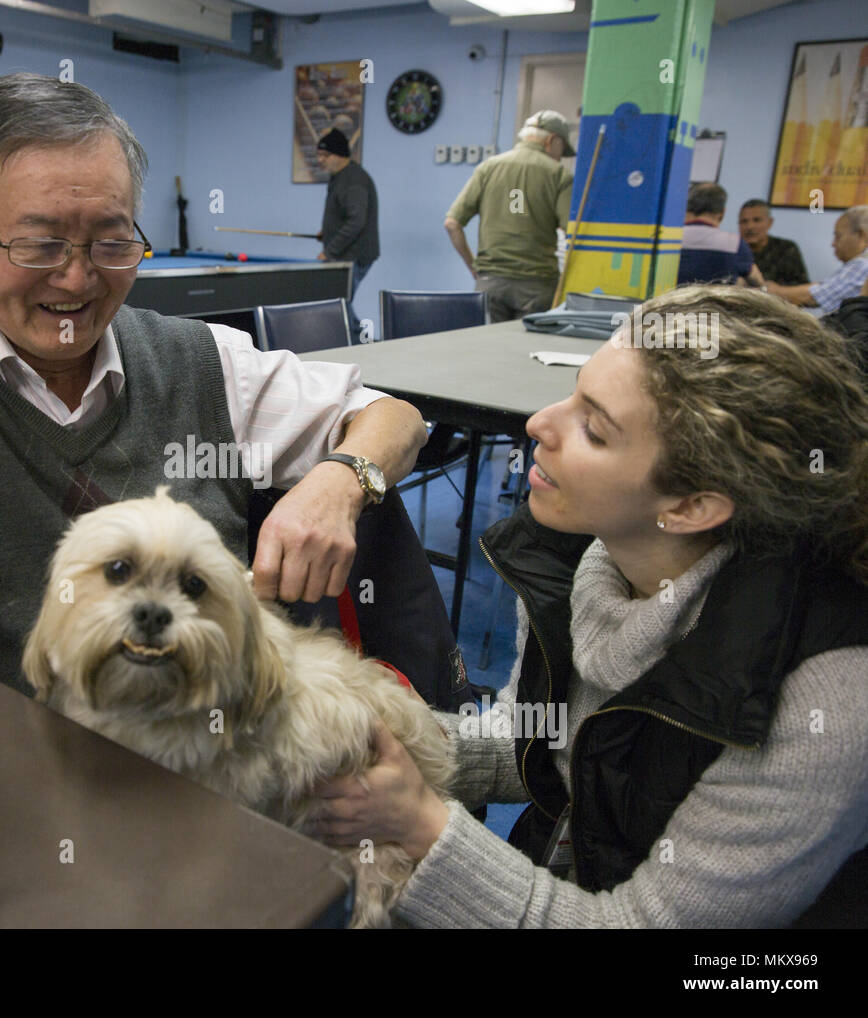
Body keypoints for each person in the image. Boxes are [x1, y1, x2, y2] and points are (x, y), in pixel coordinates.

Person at [0, 73, 427, 912]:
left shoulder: (203, 360)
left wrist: (343, 478)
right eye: (40, 244)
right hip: (21, 783)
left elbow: (390, 416)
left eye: (112, 242)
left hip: (216, 784)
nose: (78, 281)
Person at [308, 286, 868, 927]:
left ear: (689, 506)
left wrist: (419, 824)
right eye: (572, 391)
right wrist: (368, 736)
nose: (539, 424)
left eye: (594, 429)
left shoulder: (822, 702)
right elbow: (547, 745)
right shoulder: (583, 556)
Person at [444, 110, 574, 323]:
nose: (561, 157)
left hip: (490, 282)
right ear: (552, 140)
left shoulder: (487, 168)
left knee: (489, 352)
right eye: (562, 149)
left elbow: (452, 223)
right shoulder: (559, 175)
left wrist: (474, 267)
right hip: (538, 286)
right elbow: (572, 232)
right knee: (528, 352)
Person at [315, 128, 379, 341]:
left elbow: (357, 220)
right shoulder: (340, 176)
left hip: (353, 256)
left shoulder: (353, 180)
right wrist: (327, 232)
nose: (320, 160)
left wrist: (330, 250)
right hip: (345, 254)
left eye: (325, 155)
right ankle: (364, 342)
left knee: (337, 303)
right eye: (319, 155)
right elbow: (345, 215)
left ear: (339, 155)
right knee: (339, 302)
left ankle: (364, 342)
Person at [766, 205, 868, 318]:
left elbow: (813, 297)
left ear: (861, 235)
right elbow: (825, 286)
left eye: (838, 236)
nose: (833, 244)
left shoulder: (862, 265)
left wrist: (770, 290)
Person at [676, 183, 764, 287]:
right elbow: (757, 281)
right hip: (716, 303)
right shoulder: (734, 244)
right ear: (722, 212)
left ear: (687, 208)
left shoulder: (672, 238)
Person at [738, 198, 809, 286]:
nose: (750, 226)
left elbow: (801, 287)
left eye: (757, 220)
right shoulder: (732, 250)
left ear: (770, 223)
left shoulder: (786, 249)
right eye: (744, 221)